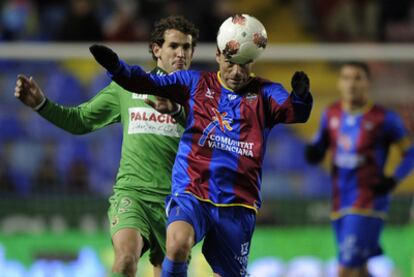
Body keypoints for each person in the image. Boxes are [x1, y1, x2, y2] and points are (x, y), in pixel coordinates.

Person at [89, 14, 313, 277]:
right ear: (218, 55)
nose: (237, 72)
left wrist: (300, 96)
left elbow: (295, 112)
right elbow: (148, 82)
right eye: (231, 62)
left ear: (252, 61)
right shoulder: (195, 83)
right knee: (177, 244)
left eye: (244, 64)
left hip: (237, 203)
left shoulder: (265, 93)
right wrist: (118, 68)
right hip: (192, 191)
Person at [14, 15, 199, 277]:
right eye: (173, 46)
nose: (181, 53)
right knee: (125, 262)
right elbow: (80, 121)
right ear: (157, 50)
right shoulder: (128, 88)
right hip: (133, 194)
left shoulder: (202, 96)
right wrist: (41, 104)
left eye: (186, 47)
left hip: (178, 201)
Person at [304, 61, 414, 277]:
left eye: (357, 78)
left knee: (345, 268)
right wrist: (314, 152)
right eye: (346, 78)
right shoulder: (331, 114)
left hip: (368, 201)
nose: (351, 84)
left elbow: (410, 153)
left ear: (368, 83)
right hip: (339, 200)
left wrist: (393, 180)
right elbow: (318, 146)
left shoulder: (384, 118)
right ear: (339, 84)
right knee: (359, 268)